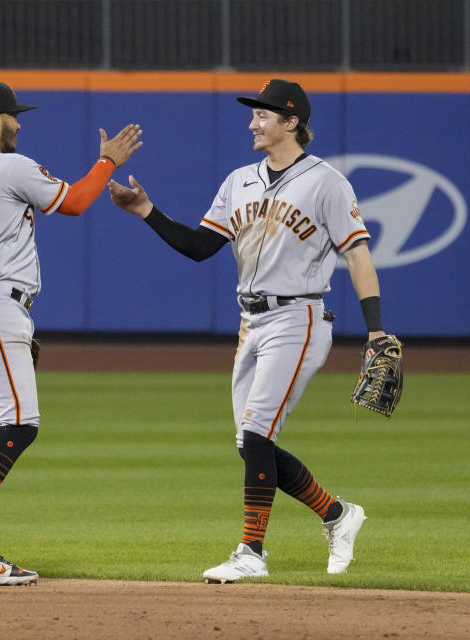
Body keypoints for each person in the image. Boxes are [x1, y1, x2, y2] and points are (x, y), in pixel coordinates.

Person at [109, 79, 380, 582]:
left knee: (256, 432)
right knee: (250, 444)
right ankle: (338, 515)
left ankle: (252, 552)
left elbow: (358, 254)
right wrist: (145, 211)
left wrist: (376, 330)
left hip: (299, 316)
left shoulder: (327, 183)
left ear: (291, 122)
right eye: (254, 114)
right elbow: (198, 247)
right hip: (250, 322)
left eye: (263, 114)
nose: (252, 122)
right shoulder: (240, 181)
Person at [0, 82, 143, 586]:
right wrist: (107, 162)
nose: (19, 123)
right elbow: (74, 202)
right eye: (12, 116)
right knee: (21, 424)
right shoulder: (11, 165)